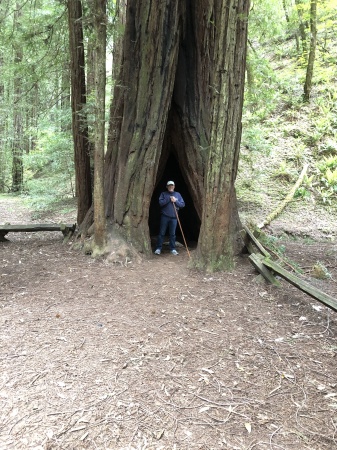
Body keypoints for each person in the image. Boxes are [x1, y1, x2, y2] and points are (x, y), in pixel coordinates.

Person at [154, 181, 185, 256]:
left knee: (172, 234)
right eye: (169, 186)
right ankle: (158, 248)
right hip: (165, 216)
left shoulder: (178, 194)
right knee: (162, 233)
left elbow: (182, 204)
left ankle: (173, 249)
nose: (171, 187)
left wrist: (175, 201)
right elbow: (161, 203)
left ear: (174, 186)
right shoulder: (163, 194)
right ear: (167, 187)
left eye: (172, 185)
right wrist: (169, 199)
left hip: (174, 217)